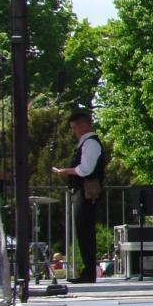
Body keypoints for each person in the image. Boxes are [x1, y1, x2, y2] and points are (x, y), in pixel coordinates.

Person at [52, 110, 105, 283]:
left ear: (83, 125)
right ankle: (87, 270)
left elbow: (86, 169)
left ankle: (89, 272)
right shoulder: (85, 143)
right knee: (82, 231)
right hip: (81, 191)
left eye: (74, 127)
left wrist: (65, 171)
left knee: (86, 231)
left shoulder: (90, 143)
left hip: (86, 191)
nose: (73, 132)